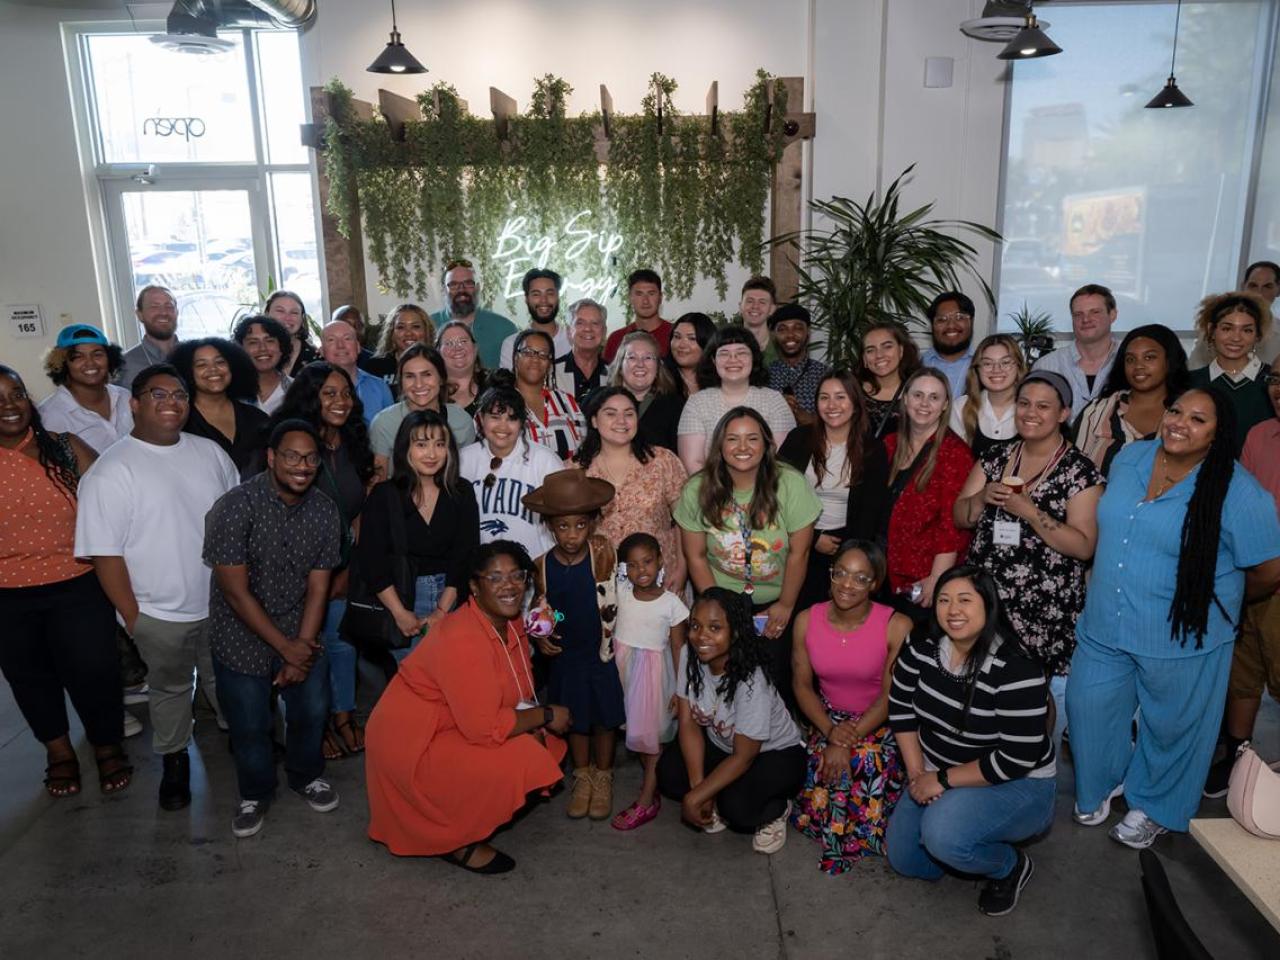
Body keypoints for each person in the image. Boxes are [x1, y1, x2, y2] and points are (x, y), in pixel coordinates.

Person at [1067, 389, 1280, 848]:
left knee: (1174, 728)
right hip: (1107, 621)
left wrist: (1221, 600)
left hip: (1183, 636)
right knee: (1088, 708)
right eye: (1176, 411)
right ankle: (1107, 782)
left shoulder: (1239, 492)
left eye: (1198, 419)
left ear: (1218, 434)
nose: (1180, 423)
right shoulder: (1130, 459)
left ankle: (1156, 805)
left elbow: (1268, 569)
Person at [75, 363, 239, 810]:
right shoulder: (111, 471)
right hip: (158, 614)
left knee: (225, 680)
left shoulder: (210, 454)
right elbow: (104, 554)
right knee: (168, 693)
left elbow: (237, 524)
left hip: (222, 602)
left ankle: (242, 743)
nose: (172, 403)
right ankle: (174, 763)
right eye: (158, 395)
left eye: (180, 395)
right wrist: (134, 619)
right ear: (134, 404)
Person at [364, 541, 571, 874]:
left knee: (542, 744)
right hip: (412, 741)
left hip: (449, 723)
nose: (510, 586)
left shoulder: (510, 620)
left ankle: (464, 810)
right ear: (474, 586)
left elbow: (517, 684)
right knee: (526, 755)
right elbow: (483, 729)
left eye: (517, 576)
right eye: (496, 577)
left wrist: (533, 720)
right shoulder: (462, 636)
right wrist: (544, 715)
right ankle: (457, 841)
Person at [886, 567, 1056, 917]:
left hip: (1016, 783)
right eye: (944, 600)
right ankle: (963, 839)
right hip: (935, 769)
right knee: (905, 858)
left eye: (965, 600)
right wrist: (918, 774)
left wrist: (942, 780)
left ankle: (1008, 865)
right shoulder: (921, 644)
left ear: (988, 605)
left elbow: (1015, 759)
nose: (952, 610)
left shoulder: (1016, 667)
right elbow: (901, 708)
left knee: (943, 835)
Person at [203, 419, 344, 838]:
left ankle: (306, 776)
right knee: (249, 724)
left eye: (310, 458)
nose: (301, 465)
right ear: (270, 457)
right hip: (241, 631)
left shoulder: (324, 509)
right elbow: (235, 593)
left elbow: (320, 586)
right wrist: (287, 648)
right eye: (291, 456)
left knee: (310, 712)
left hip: (301, 627)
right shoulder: (235, 506)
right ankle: (255, 793)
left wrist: (302, 645)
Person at [954, 370, 1104, 744]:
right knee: (982, 687)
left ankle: (1034, 768)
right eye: (1024, 403)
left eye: (1043, 406)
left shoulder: (1079, 471)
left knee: (1033, 694)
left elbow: (1084, 546)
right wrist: (980, 498)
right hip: (988, 599)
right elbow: (960, 515)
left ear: (1064, 413)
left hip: (1043, 606)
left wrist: (1031, 513)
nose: (1030, 413)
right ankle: (985, 761)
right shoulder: (996, 456)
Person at [0, 365, 129, 798]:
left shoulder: (64, 448)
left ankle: (106, 745)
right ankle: (59, 753)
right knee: (30, 677)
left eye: (16, 393)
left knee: (95, 669)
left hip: (77, 582)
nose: (9, 404)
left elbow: (109, 502)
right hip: (7, 594)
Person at [675, 407, 820, 698]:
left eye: (752, 439)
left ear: (767, 444)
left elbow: (798, 554)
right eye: (733, 439)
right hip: (722, 600)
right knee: (723, 688)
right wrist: (721, 612)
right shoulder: (697, 489)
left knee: (773, 687)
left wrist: (786, 605)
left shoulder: (791, 484)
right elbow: (697, 557)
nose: (743, 447)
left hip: (777, 602)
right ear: (719, 445)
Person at [270, 363, 376, 759]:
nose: (340, 401)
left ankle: (344, 715)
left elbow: (359, 506)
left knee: (342, 642)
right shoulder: (291, 443)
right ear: (309, 396)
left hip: (342, 566)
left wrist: (351, 565)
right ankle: (311, 726)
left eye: (345, 393)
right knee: (305, 646)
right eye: (328, 393)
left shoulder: (351, 441)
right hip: (294, 569)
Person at [790, 540, 910, 874]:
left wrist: (847, 738)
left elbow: (891, 696)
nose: (847, 584)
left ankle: (858, 834)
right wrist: (830, 731)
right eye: (840, 573)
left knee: (863, 759)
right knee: (830, 763)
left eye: (860, 578)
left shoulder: (896, 625)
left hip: (878, 719)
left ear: (874, 583)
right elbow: (801, 685)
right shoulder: (806, 619)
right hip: (827, 717)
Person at [656, 587, 806, 852]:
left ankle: (779, 808)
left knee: (737, 809)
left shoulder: (751, 680)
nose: (701, 636)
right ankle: (717, 794)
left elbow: (744, 756)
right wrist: (698, 788)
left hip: (774, 754)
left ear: (735, 632)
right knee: (668, 773)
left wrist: (697, 798)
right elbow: (689, 725)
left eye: (715, 628)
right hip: (724, 744)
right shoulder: (691, 655)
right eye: (695, 626)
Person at [524, 470, 624, 822]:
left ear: (593, 523)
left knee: (605, 719)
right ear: (550, 526)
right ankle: (582, 776)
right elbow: (549, 611)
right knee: (576, 719)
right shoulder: (543, 567)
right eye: (563, 527)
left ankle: (604, 775)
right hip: (566, 656)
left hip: (601, 653)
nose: (571, 535)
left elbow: (617, 598)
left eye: (580, 526)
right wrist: (543, 633)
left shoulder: (604, 554)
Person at [1205, 354, 1280, 796]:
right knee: (1243, 672)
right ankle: (1239, 753)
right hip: (1247, 572)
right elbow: (1237, 504)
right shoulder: (1259, 434)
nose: (1278, 388)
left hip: (1273, 576)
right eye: (1276, 379)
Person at [356, 409, 478, 664]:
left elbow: (465, 555)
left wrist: (442, 610)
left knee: (452, 682)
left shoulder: (461, 491)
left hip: (453, 597)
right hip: (400, 597)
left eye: (440, 444)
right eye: (421, 444)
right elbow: (372, 560)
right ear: (405, 448)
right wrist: (400, 613)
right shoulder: (384, 495)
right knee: (413, 686)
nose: (432, 454)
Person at [779, 369, 890, 609]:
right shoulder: (798, 439)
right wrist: (813, 537)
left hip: (846, 546)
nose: (832, 405)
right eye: (824, 397)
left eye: (841, 397)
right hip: (795, 541)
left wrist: (845, 552)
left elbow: (871, 513)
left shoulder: (873, 450)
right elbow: (776, 496)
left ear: (855, 403)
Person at [609, 532, 689, 830]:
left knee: (652, 741)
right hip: (623, 674)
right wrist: (558, 617)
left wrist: (681, 691)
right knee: (642, 739)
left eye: (647, 562)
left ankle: (645, 800)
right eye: (632, 565)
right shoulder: (620, 592)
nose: (641, 571)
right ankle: (653, 787)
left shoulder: (672, 604)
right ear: (623, 569)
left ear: (660, 561)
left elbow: (680, 647)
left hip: (653, 680)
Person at [576, 386, 688, 593]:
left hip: (661, 581)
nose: (621, 421)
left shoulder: (663, 461)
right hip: (598, 584)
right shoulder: (576, 471)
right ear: (593, 420)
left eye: (629, 414)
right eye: (610, 414)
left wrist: (682, 567)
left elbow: (685, 520)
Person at [882, 368, 974, 620]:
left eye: (934, 397)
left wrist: (937, 578)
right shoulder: (888, 445)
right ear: (905, 398)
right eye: (918, 395)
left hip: (922, 578)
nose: (924, 403)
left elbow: (951, 525)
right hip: (884, 572)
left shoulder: (955, 454)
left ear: (945, 405)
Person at [459, 373, 563, 558]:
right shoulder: (464, 459)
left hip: (535, 569)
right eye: (495, 417)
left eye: (512, 418)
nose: (503, 426)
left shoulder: (545, 460)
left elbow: (563, 520)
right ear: (481, 419)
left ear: (522, 423)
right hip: (480, 571)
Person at [1073, 324, 1189, 476]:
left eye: (1149, 357)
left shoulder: (1189, 414)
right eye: (1130, 359)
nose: (1138, 366)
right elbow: (1074, 472)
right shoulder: (1097, 410)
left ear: (1169, 361)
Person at [676, 326, 796, 473]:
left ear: (754, 358)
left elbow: (781, 463)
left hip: (766, 490)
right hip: (712, 491)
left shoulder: (774, 401)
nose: (733, 360)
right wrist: (721, 493)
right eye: (724, 354)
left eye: (741, 353)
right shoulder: (697, 403)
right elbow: (693, 464)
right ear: (714, 360)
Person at [369, 343, 475, 479]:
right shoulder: (384, 423)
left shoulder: (461, 420)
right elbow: (378, 481)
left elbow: (468, 475)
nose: (418, 384)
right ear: (400, 382)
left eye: (427, 375)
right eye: (410, 376)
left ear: (441, 379)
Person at [169, 337, 269, 479]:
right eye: (201, 365)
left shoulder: (257, 418)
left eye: (220, 362)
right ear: (187, 373)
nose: (213, 369)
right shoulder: (180, 423)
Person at [1188, 291, 1273, 452]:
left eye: (1246, 330)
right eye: (1227, 328)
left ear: (1257, 335)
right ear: (1211, 330)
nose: (1236, 338)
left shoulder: (1272, 382)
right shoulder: (1191, 382)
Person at [38, 323, 133, 454]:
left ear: (110, 358)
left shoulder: (126, 397)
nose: (90, 363)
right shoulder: (49, 415)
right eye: (78, 357)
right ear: (62, 364)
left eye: (97, 354)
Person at [1033, 283, 1121, 418]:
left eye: (1095, 312)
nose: (1086, 319)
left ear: (1113, 315)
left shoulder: (1129, 362)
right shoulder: (1046, 367)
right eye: (1078, 314)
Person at [510, 328, 586, 461]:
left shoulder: (567, 402)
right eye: (528, 352)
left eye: (543, 354)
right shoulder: (499, 403)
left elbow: (584, 450)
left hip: (565, 480)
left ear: (550, 364)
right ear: (516, 358)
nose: (535, 359)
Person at [428, 260, 516, 369]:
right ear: (443, 290)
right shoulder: (429, 326)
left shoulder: (504, 329)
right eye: (453, 285)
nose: (461, 289)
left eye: (468, 283)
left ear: (478, 288)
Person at [1189, 260, 1280, 365]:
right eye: (1253, 285)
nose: (1259, 293)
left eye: (1267, 286)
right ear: (1243, 286)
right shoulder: (1215, 327)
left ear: (1278, 290)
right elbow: (1195, 369)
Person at [950, 334, 1027, 458]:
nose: (996, 369)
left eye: (1005, 362)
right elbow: (954, 462)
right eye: (987, 364)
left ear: (1018, 366)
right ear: (977, 369)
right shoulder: (961, 407)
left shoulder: (1032, 410)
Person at [609, 330, 684, 454]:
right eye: (632, 357)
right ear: (620, 366)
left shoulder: (675, 407)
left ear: (658, 367)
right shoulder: (599, 402)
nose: (640, 364)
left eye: (648, 358)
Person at [321, 320, 393, 425]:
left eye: (347, 339)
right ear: (322, 351)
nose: (340, 345)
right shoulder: (311, 387)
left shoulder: (379, 386)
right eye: (331, 340)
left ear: (358, 347)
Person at [767, 303, 827, 427]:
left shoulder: (825, 375)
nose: (790, 335)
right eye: (782, 329)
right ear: (774, 335)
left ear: (808, 332)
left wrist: (807, 418)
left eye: (798, 328)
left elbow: (840, 419)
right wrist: (776, 406)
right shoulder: (763, 376)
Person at [498, 268, 570, 370]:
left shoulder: (573, 341)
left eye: (550, 293)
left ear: (558, 297)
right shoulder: (512, 344)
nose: (544, 300)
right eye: (536, 294)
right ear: (526, 299)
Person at [860, 322, 921, 441]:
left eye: (887, 346)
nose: (879, 355)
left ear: (901, 351)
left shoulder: (919, 391)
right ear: (864, 359)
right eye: (870, 350)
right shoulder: (851, 392)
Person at [366, 303, 435, 396]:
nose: (408, 333)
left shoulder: (437, 364)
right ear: (392, 333)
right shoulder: (374, 367)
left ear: (426, 331)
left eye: (415, 326)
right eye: (401, 327)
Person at [603, 269, 672, 363]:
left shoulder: (675, 336)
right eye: (639, 294)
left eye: (651, 294)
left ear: (660, 297)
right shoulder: (616, 339)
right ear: (630, 298)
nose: (645, 301)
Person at [920, 291, 976, 401]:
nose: (951, 325)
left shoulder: (983, 366)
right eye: (942, 319)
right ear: (932, 326)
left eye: (959, 317)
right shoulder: (916, 364)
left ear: (971, 322)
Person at [119, 286, 179, 387]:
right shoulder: (124, 366)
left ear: (177, 312)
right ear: (140, 315)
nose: (163, 312)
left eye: (169, 306)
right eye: (154, 306)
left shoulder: (195, 358)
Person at [233, 314, 293, 416]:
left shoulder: (298, 390)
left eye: (269, 341)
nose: (262, 348)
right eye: (253, 342)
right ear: (240, 349)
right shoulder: (230, 392)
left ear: (281, 348)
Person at [552, 297, 607, 404]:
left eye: (595, 323)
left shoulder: (614, 375)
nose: (588, 329)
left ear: (604, 331)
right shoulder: (551, 372)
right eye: (580, 323)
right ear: (568, 331)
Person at [436, 320, 487, 416]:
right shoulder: (430, 392)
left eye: (463, 342)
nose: (457, 348)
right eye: (449, 343)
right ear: (438, 352)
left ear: (475, 348)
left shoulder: (494, 386)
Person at [265, 290, 319, 377]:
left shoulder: (315, 357)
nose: (287, 318)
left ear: (302, 318)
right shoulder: (252, 353)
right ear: (267, 314)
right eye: (280, 311)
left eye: (294, 312)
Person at [665, 311, 716, 400]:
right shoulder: (660, 377)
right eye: (677, 337)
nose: (682, 345)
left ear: (707, 343)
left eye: (691, 338)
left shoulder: (720, 379)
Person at [737, 275, 779, 365]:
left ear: (772, 309)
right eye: (750, 301)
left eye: (762, 302)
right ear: (740, 306)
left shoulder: (781, 347)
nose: (755, 306)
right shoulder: (726, 345)